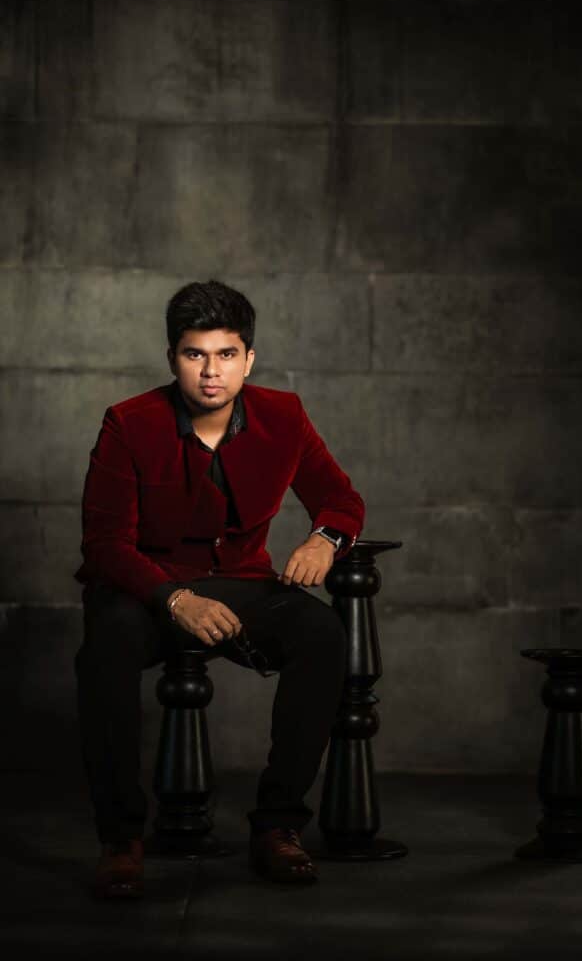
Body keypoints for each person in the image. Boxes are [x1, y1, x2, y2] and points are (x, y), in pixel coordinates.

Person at [73, 280, 365, 899]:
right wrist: (175, 599)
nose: (211, 372)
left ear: (249, 359)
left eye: (226, 354)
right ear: (172, 357)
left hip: (242, 583)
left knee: (321, 632)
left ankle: (278, 826)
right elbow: (105, 546)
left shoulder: (284, 415)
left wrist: (325, 540)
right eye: (195, 354)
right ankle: (121, 838)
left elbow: (340, 498)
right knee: (105, 645)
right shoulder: (128, 423)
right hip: (144, 590)